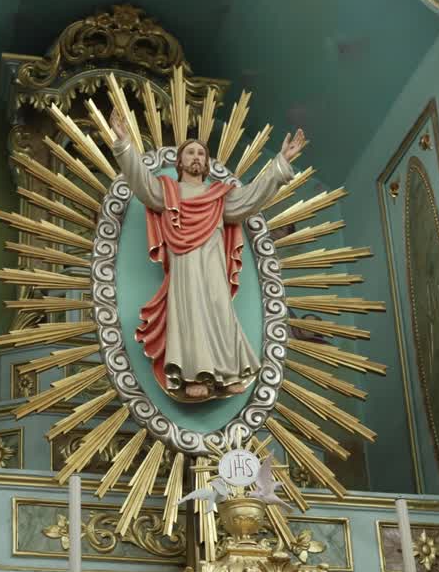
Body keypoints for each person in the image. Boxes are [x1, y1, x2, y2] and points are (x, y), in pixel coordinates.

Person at [109, 108, 305, 401]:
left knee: (219, 313)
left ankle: (227, 375)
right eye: (190, 154)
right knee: (189, 315)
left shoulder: (220, 196)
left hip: (213, 265)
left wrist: (281, 162)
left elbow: (253, 196)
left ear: (208, 164)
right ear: (179, 163)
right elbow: (141, 182)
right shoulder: (168, 192)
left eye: (201, 154)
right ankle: (193, 377)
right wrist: (124, 143)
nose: (196, 158)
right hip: (185, 265)